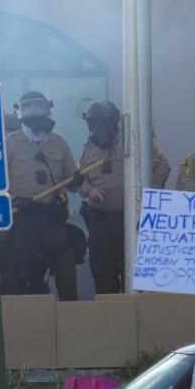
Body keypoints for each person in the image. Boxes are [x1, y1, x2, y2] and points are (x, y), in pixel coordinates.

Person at [77, 100, 170, 294]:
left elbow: (162, 166)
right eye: (93, 123)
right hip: (100, 222)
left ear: (111, 122)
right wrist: (89, 191)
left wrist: (151, 193)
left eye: (101, 123)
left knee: (135, 280)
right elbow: (80, 180)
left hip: (130, 221)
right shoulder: (88, 149)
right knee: (103, 276)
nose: (97, 128)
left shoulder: (133, 141)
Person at [4, 90, 82, 300]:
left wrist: (77, 182)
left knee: (66, 260)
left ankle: (70, 313)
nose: (35, 114)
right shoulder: (10, 143)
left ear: (48, 110)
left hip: (51, 217)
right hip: (22, 217)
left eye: (39, 108)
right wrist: (12, 200)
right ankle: (14, 318)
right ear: (19, 113)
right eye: (29, 108)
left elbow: (71, 180)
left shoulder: (59, 143)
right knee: (17, 270)